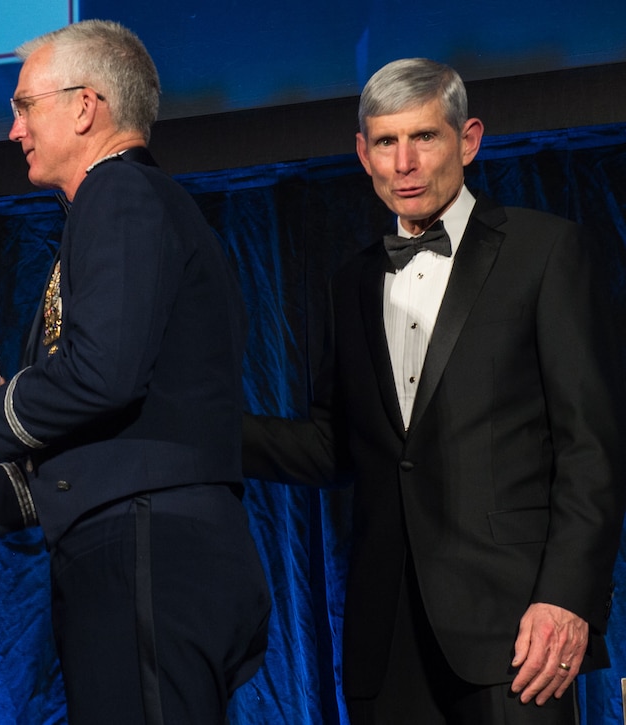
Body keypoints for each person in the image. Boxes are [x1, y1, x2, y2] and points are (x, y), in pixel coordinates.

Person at [0, 19, 271, 725]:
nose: (12, 130)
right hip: (141, 544)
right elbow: (91, 440)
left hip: (146, 549)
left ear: (85, 106)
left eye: (24, 106)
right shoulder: (121, 208)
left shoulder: (119, 195)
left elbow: (102, 377)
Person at [242, 57, 626, 724]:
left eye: (425, 137)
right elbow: (339, 446)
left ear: (468, 139)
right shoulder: (351, 282)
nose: (405, 163)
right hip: (387, 640)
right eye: (387, 143)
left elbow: (591, 447)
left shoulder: (546, 252)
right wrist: (200, 422)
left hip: (516, 634)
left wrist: (568, 598)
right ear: (363, 154)